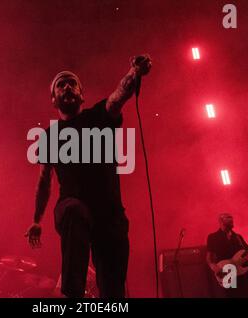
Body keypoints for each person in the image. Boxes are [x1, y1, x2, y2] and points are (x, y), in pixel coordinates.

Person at [25, 54, 152, 298]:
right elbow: (44, 181)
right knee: (74, 210)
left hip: (109, 215)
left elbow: (119, 95)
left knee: (113, 292)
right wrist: (37, 220)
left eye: (72, 83)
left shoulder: (99, 116)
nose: (67, 87)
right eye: (60, 85)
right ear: (54, 100)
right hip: (71, 207)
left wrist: (134, 72)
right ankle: (72, 294)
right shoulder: (49, 137)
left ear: (82, 95)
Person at [206, 213, 248, 298]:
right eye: (228, 218)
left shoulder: (237, 237)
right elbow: (209, 257)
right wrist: (213, 266)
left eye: (231, 218)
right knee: (233, 295)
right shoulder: (213, 237)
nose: (231, 219)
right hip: (227, 272)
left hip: (245, 272)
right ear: (221, 221)